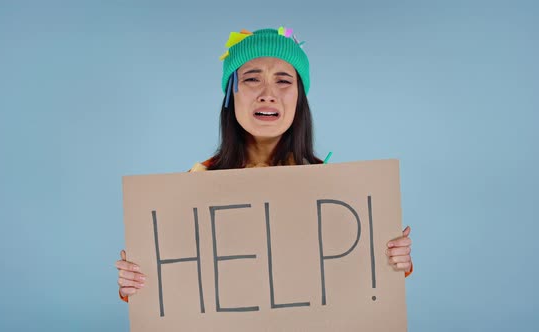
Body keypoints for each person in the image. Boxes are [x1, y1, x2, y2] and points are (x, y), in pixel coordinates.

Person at [115, 26, 413, 302]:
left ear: (300, 98)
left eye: (283, 81)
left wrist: (392, 261)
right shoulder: (195, 182)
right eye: (252, 79)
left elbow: (353, 282)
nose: (268, 94)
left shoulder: (334, 189)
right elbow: (176, 284)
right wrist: (138, 283)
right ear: (231, 94)